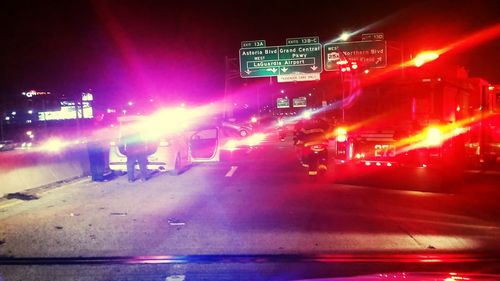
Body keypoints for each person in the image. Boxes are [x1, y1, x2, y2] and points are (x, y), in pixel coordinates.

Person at [87, 113, 107, 182]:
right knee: (99, 162)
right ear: (97, 116)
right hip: (96, 146)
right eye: (101, 116)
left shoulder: (90, 125)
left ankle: (95, 178)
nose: (102, 118)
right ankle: (99, 178)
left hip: (91, 146)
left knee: (94, 162)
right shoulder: (97, 125)